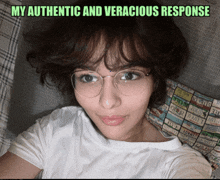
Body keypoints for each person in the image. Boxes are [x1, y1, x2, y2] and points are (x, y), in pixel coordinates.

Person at [0, 0, 212, 178]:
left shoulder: (179, 166)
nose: (108, 101)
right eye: (88, 77)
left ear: (155, 78)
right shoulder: (56, 129)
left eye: (129, 75)